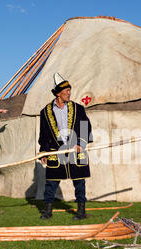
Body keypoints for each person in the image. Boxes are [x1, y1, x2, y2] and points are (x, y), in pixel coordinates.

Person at [38, 73, 93, 220]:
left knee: (79, 181)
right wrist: (43, 152)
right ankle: (47, 211)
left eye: (70, 90)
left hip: (75, 149)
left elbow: (85, 126)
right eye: (66, 91)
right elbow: (43, 133)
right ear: (58, 93)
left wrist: (81, 143)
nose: (69, 93)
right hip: (55, 151)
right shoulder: (45, 112)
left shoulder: (78, 109)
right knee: (51, 183)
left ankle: (81, 212)